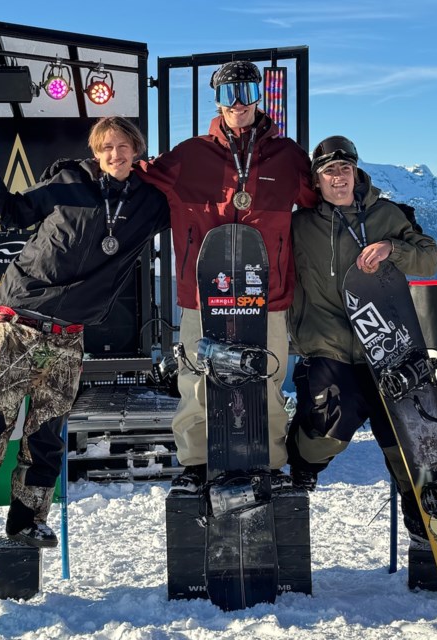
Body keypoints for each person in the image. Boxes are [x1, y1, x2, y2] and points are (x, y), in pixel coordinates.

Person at [0, 117, 170, 547]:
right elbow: (13, 212)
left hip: (67, 338)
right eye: (105, 147)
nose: (114, 154)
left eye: (122, 146)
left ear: (136, 150)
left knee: (45, 437)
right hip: (18, 322)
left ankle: (28, 520)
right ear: (95, 154)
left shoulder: (150, 203)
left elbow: (197, 208)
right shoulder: (68, 181)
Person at [135, 60, 319, 493]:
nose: (237, 103)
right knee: (196, 381)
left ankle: (270, 463)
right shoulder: (190, 154)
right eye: (226, 94)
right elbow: (132, 174)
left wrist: (382, 218)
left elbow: (325, 198)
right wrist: (75, 173)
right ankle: (196, 463)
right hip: (202, 295)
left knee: (269, 379)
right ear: (215, 100)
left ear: (259, 95)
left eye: (246, 91)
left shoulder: (288, 156)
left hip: (266, 294)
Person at [285, 135, 437, 542]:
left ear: (356, 172)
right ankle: (301, 458)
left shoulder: (386, 214)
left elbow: (429, 258)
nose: (339, 178)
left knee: (401, 427)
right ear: (316, 181)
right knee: (334, 420)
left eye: (345, 169)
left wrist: (392, 248)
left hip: (385, 346)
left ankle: (417, 503)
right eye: (329, 171)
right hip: (327, 343)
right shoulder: (299, 225)